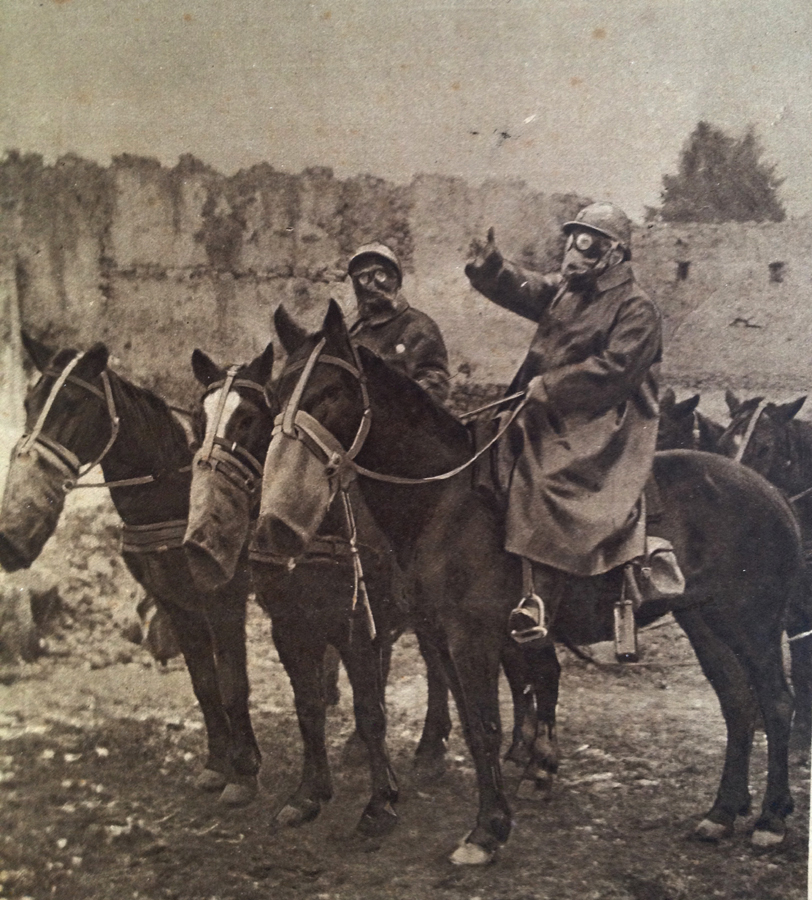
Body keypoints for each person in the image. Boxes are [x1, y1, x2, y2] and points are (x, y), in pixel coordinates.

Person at [464, 202, 663, 645]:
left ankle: (539, 599)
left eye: (586, 244)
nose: (573, 253)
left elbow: (615, 370)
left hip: (605, 420)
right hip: (551, 406)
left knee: (547, 474)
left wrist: (552, 387)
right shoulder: (571, 289)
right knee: (485, 445)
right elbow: (529, 288)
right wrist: (491, 267)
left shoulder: (637, 308)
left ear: (612, 254)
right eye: (572, 241)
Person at [347, 243, 450, 404]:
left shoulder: (418, 325)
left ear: (395, 279)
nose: (372, 285)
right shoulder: (355, 333)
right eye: (363, 278)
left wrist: (395, 403)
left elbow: (435, 382)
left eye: (380, 274)